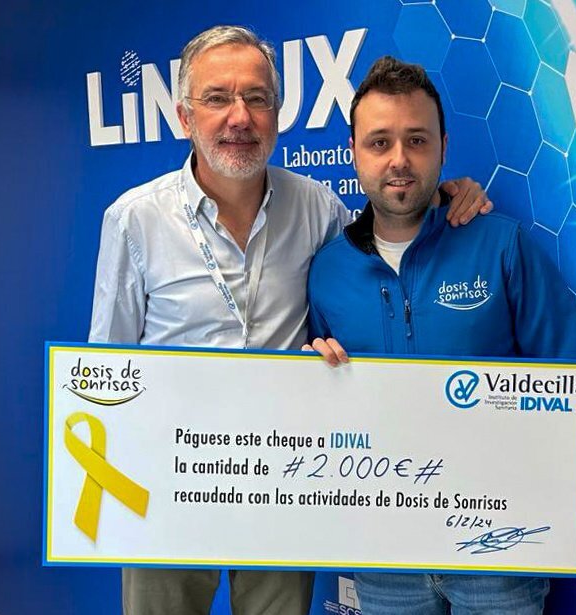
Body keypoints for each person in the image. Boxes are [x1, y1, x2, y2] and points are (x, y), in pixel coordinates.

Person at [88, 26, 492, 615]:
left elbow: (387, 224)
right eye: (217, 98)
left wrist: (446, 195)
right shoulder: (134, 219)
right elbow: (105, 367)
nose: (239, 117)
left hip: (280, 482)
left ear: (277, 114)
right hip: (167, 487)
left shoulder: (317, 208)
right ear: (184, 117)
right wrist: (112, 496)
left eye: (256, 98)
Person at [305, 56, 576, 614]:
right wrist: (314, 379)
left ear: (443, 147)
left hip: (499, 547)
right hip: (384, 555)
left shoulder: (501, 245)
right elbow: (317, 409)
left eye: (417, 140)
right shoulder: (327, 271)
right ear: (354, 151)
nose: (399, 159)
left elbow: (572, 371)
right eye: (380, 142)